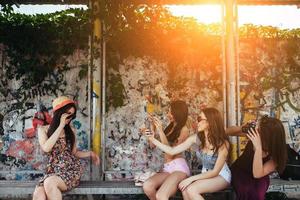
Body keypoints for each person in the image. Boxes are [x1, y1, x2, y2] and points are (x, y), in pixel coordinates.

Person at [148, 107, 231, 200]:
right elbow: (172, 151)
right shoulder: (197, 139)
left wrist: (190, 179)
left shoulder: (222, 144)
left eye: (199, 119)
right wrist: (153, 140)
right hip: (205, 174)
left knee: (191, 190)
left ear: (209, 122)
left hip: (221, 176)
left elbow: (215, 172)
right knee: (185, 189)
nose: (196, 122)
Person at [32, 96, 100, 200]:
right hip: (53, 171)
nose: (69, 118)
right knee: (39, 194)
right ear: (59, 113)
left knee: (49, 183)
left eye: (72, 115)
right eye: (67, 114)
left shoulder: (71, 130)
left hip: (70, 170)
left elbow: (74, 152)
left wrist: (90, 153)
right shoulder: (43, 130)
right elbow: (46, 148)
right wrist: (60, 126)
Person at [228, 115, 287, 200]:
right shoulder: (256, 134)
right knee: (245, 190)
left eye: (259, 130)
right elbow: (228, 131)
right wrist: (243, 127)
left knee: (258, 194)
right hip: (240, 171)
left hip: (260, 173)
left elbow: (257, 174)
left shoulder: (276, 154)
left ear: (269, 136)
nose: (256, 130)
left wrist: (258, 148)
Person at [142, 100, 191, 200]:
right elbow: (152, 146)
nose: (168, 114)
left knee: (161, 195)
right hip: (167, 168)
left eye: (170, 112)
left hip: (179, 168)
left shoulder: (184, 130)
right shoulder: (170, 127)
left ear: (177, 113)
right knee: (147, 186)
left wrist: (160, 130)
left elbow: (170, 153)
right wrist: (153, 128)